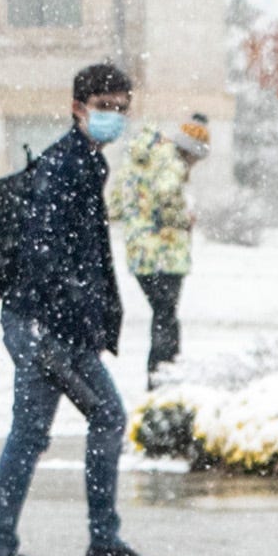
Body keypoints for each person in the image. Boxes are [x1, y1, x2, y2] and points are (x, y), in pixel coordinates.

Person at [0, 58, 165, 556]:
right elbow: (46, 253)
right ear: (78, 108)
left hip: (50, 326)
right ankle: (39, 549)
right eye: (105, 108)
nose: (114, 118)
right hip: (47, 328)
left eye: (122, 110)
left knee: (39, 433)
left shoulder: (82, 162)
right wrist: (73, 313)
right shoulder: (67, 167)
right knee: (90, 421)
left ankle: (34, 548)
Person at [110, 108, 210, 380]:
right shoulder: (173, 163)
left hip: (139, 252)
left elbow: (115, 207)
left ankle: (162, 372)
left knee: (162, 313)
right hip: (166, 253)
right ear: (190, 152)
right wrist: (182, 218)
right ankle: (162, 375)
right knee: (166, 316)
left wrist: (140, 216)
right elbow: (167, 194)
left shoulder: (136, 162)